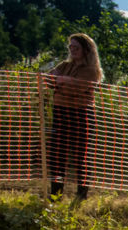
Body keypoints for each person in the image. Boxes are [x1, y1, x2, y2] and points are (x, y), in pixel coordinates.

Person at [46, 32, 103, 200]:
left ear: (86, 49)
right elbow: (48, 80)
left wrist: (61, 82)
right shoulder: (64, 65)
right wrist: (64, 81)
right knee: (57, 155)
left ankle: (81, 195)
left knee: (80, 156)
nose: (72, 50)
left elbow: (77, 89)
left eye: (76, 47)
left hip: (81, 115)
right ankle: (55, 195)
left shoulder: (91, 70)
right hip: (60, 112)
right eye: (71, 47)